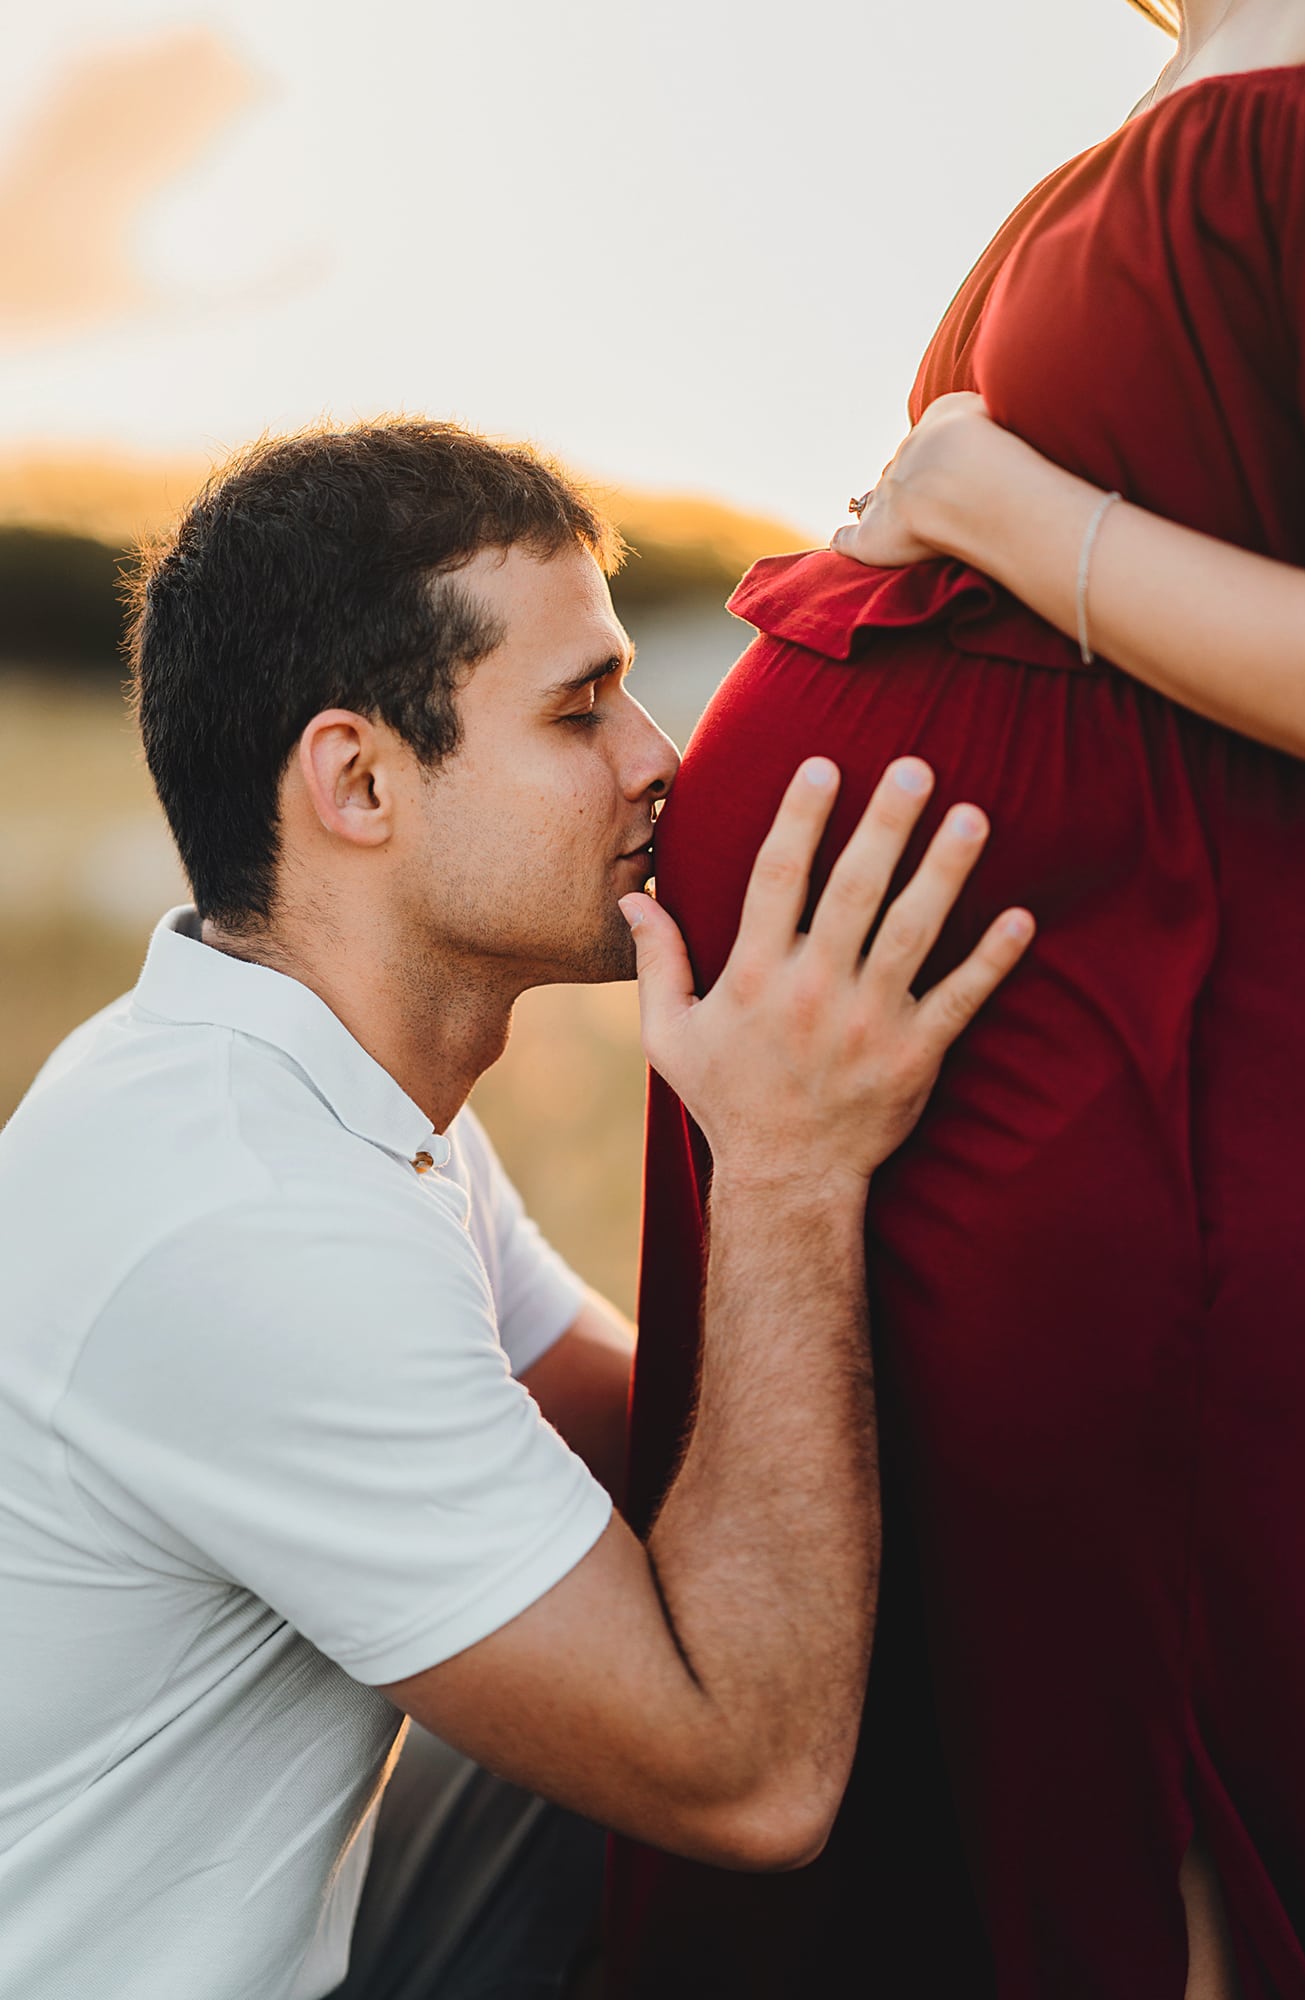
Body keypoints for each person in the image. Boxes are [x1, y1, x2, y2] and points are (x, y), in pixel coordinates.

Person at [0, 421, 1032, 2000]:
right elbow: (750, 1779)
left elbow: (648, 1458)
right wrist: (783, 1166)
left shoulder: (296, 1085)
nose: (657, 759)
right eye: (577, 710)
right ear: (356, 779)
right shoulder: (249, 1218)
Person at [606, 4, 1305, 1997]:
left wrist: (995, 505)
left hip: (1140, 1081)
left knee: (1124, 1777)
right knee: (974, 1747)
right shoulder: (1212, 67)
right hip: (992, 1090)